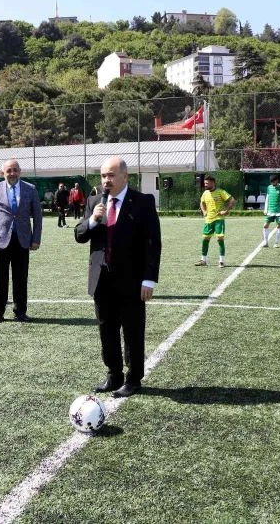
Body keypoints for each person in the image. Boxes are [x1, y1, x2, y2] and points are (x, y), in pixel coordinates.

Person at [75, 156, 161, 398]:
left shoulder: (143, 202)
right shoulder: (94, 202)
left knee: (133, 330)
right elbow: (80, 235)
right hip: (102, 279)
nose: (106, 180)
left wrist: (148, 279)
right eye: (103, 176)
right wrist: (92, 221)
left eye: (111, 175)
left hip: (132, 280)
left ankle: (134, 378)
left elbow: (153, 243)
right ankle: (114, 374)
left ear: (125, 176)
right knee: (107, 329)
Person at [0, 159, 43, 324]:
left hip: (23, 241)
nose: (12, 173)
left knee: (21, 279)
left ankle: (20, 312)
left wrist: (36, 239)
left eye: (15, 170)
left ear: (20, 171)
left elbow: (37, 216)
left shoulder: (31, 189)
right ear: (3, 172)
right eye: (9, 170)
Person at [196, 175, 235, 268]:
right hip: (208, 220)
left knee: (219, 239)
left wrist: (226, 211)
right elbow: (202, 203)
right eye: (204, 183)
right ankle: (203, 260)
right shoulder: (205, 193)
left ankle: (221, 261)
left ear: (213, 183)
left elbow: (232, 200)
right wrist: (204, 211)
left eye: (207, 183)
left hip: (219, 219)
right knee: (205, 239)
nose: (205, 185)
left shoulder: (220, 192)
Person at [262, 174, 280, 248]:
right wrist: (265, 209)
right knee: (265, 225)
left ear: (277, 180)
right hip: (270, 210)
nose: (272, 183)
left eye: (273, 182)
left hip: (279, 211)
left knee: (278, 225)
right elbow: (267, 198)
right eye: (271, 182)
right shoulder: (269, 187)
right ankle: (266, 242)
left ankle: (276, 243)